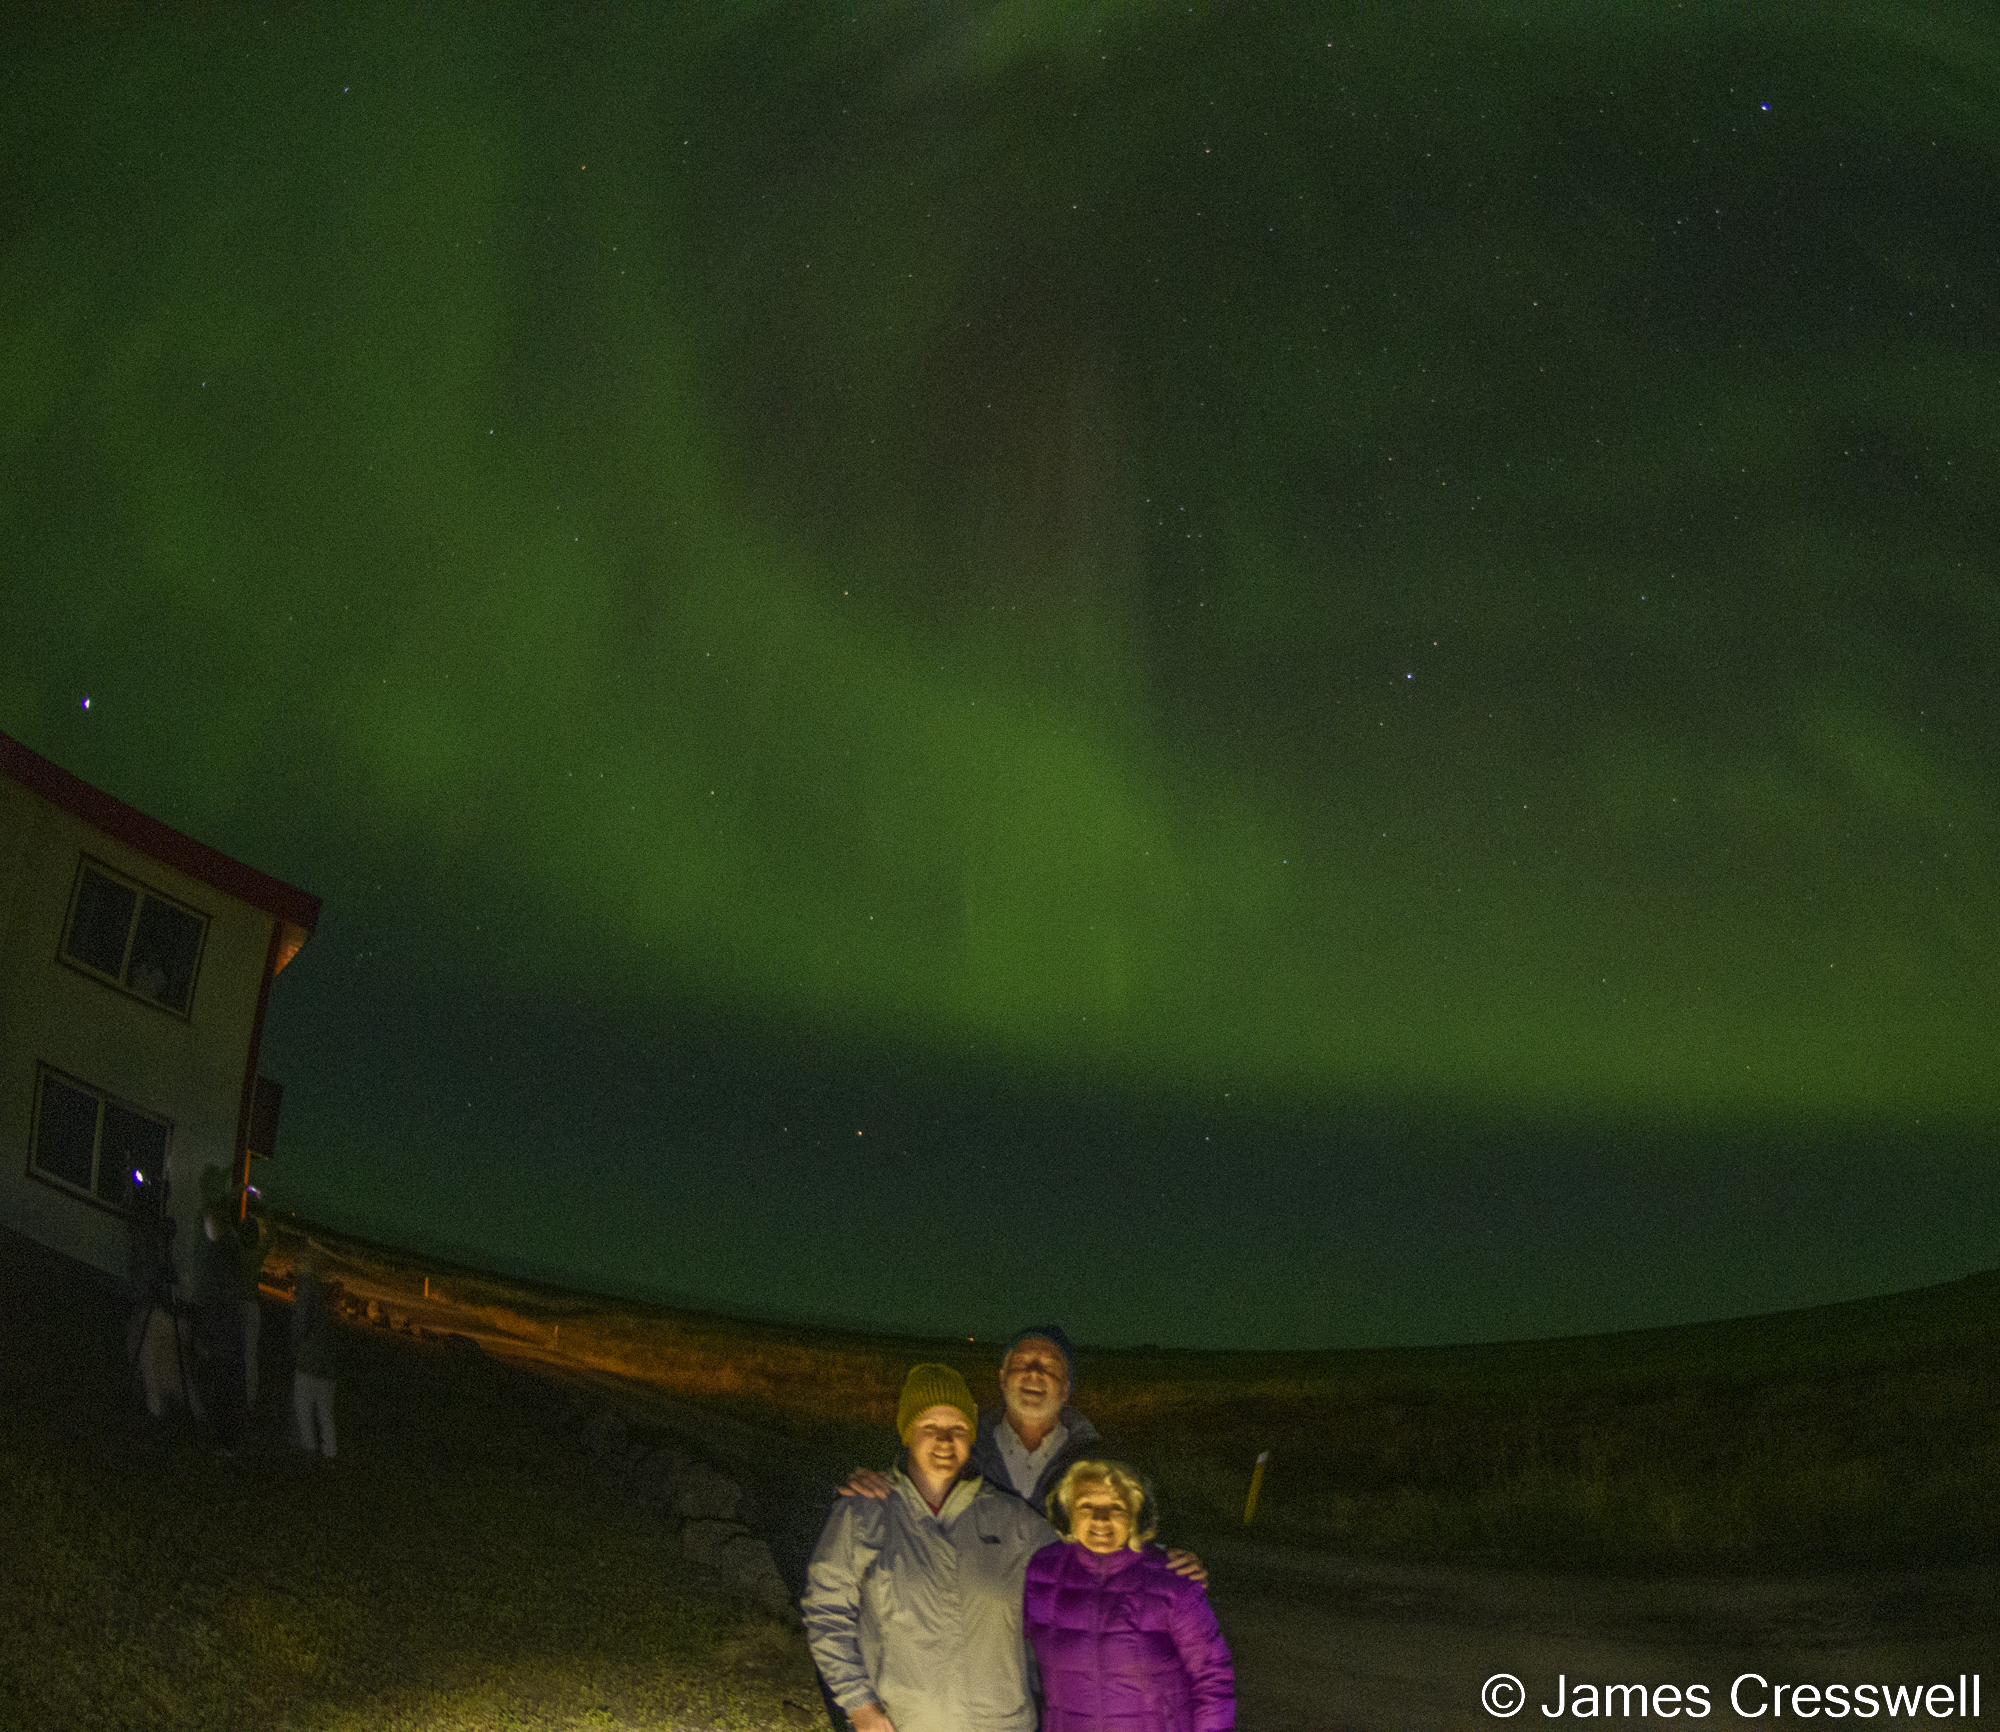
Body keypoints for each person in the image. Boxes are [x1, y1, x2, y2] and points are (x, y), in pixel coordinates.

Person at [843, 1325, 1206, 1584]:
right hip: (976, 1627)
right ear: (1003, 1378)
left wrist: (1168, 1558)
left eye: (1049, 1366)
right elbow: (915, 1494)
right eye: (1023, 1363)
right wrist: (880, 1484)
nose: (1034, 1373)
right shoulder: (962, 1449)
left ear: (1066, 1389)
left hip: (1059, 1629)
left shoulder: (1099, 1464)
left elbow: (1128, 1532)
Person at [804, 1363, 1055, 1732]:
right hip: (904, 1723)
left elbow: (1085, 1577)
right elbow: (826, 1612)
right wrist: (859, 1704)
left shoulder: (1015, 1521)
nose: (944, 1440)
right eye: (929, 1427)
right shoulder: (863, 1513)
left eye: (958, 1429)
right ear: (907, 1433)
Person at [1026, 1459, 1235, 1732]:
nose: (1101, 1518)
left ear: (1136, 1514)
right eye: (1086, 1506)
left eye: (1116, 1507)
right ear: (1068, 1512)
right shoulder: (1041, 1572)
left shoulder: (1172, 1581)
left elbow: (1213, 1678)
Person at [197, 1202, 246, 1455]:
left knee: (223, 1389)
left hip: (223, 1333)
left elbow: (220, 1294)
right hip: (228, 1333)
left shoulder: (221, 1252)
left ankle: (226, 1442)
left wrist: (208, 1333)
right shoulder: (230, 1246)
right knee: (228, 1387)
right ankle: (228, 1440)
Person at [290, 1248, 338, 1459]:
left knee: (303, 1409)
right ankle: (329, 1452)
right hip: (327, 1367)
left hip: (309, 1364)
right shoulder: (327, 1306)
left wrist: (297, 1347)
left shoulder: (307, 1299)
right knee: (325, 1412)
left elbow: (300, 1328)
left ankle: (309, 1448)